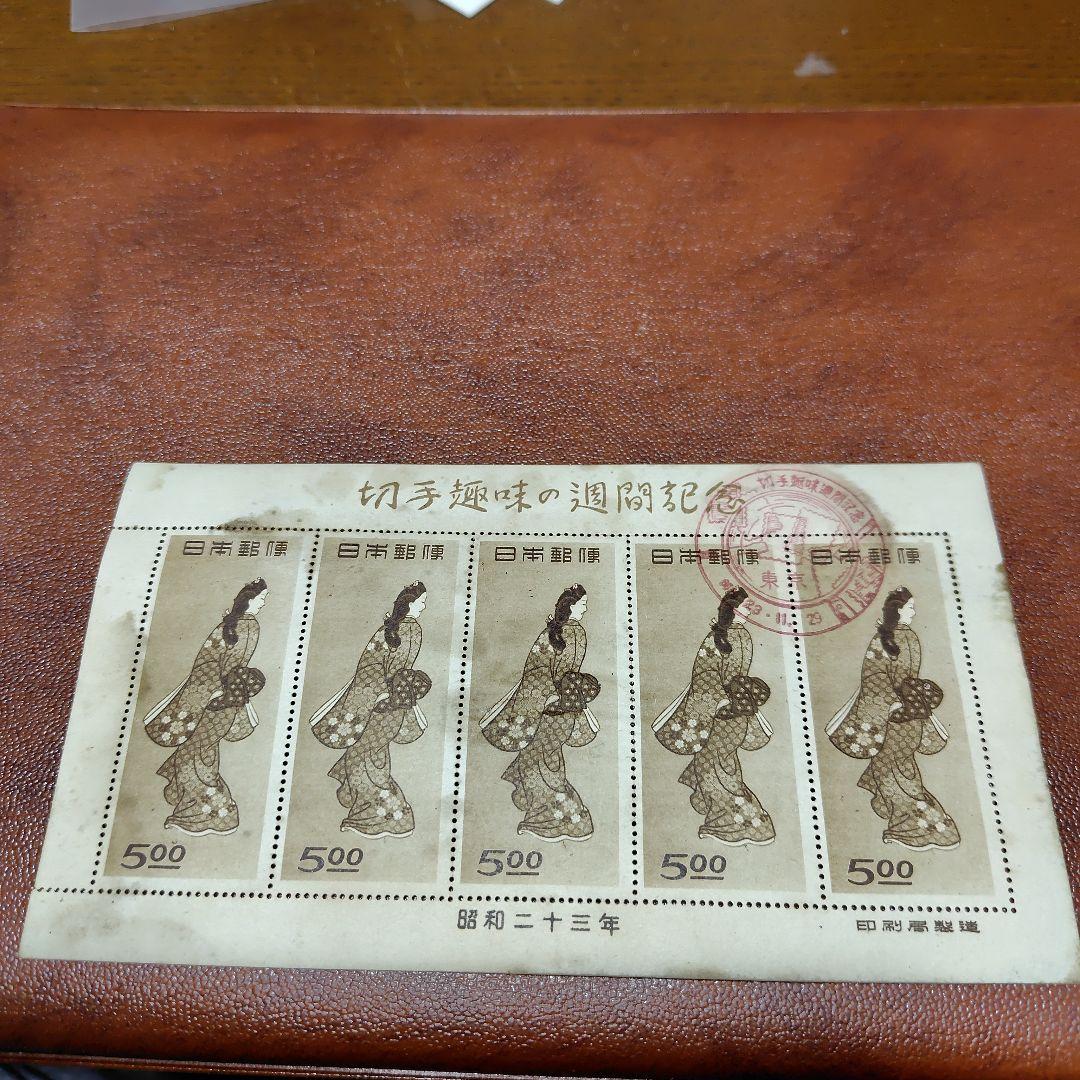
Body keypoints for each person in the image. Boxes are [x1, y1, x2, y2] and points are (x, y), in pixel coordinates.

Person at [827, 587, 959, 850]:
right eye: (910, 608)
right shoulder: (896, 639)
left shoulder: (899, 638)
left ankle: (912, 826)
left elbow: (879, 679)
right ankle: (920, 823)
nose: (914, 612)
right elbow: (877, 679)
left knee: (894, 771)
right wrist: (898, 702)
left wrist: (898, 702)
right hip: (900, 715)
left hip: (899, 717)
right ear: (897, 610)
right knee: (899, 770)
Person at [143, 578, 268, 835]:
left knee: (197, 755)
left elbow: (210, 665)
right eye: (261, 599)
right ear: (248, 600)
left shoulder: (240, 625)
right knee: (198, 754)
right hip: (222, 699)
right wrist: (218, 690)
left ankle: (206, 813)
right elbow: (213, 664)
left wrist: (213, 691)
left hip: (218, 700)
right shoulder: (243, 626)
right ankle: (198, 808)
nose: (263, 603)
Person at [653, 587, 774, 845]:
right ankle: (723, 812)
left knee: (715, 767)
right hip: (726, 712)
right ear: (733, 610)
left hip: (727, 713)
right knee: (721, 765)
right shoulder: (727, 638)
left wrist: (729, 699)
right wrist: (727, 699)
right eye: (746, 606)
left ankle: (728, 822)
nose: (751, 610)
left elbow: (712, 675)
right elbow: (706, 675)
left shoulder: (734, 637)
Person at [480, 584, 599, 841]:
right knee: (542, 761)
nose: (586, 608)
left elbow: (539, 671)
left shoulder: (563, 633)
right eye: (582, 604)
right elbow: (542, 671)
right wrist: (559, 694)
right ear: (570, 606)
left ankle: (552, 819)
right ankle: (545, 811)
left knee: (541, 764)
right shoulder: (570, 633)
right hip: (560, 708)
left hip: (552, 710)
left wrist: (553, 694)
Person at [310, 581, 429, 837]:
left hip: (392, 704)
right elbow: (370, 666)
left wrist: (398, 691)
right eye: (421, 602)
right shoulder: (392, 631)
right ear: (408, 604)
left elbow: (392, 668)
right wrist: (383, 693)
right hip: (379, 703)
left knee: (369, 756)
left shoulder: (412, 629)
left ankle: (370, 809)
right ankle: (373, 809)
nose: (424, 606)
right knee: (368, 755)